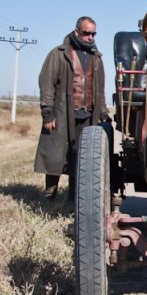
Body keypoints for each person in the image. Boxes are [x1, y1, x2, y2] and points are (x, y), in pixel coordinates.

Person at [34, 16, 109, 200]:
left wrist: (103, 112)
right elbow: (47, 84)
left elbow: (100, 89)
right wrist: (47, 113)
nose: (90, 37)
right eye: (86, 33)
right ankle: (49, 194)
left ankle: (74, 198)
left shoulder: (96, 58)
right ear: (77, 31)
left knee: (81, 157)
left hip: (87, 116)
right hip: (62, 114)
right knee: (56, 153)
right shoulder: (59, 54)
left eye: (93, 34)